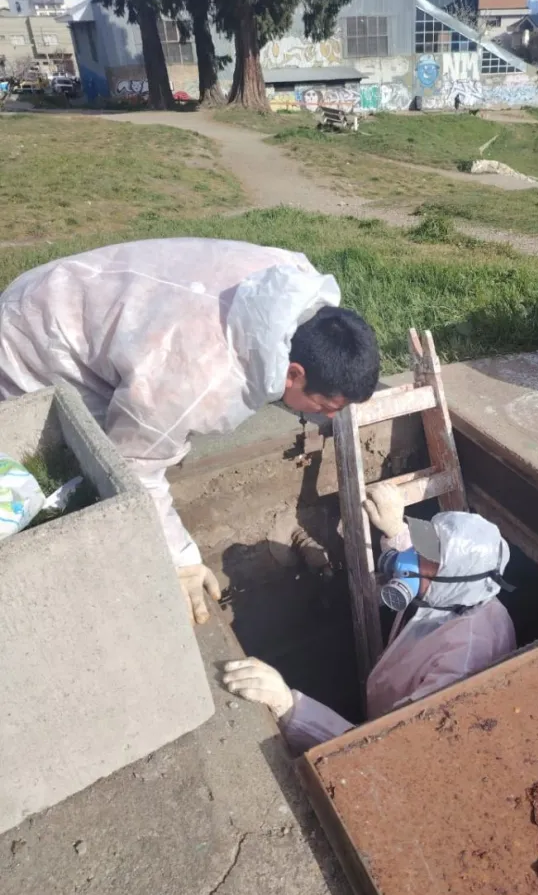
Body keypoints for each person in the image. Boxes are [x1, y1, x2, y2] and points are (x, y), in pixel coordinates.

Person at [0, 239, 380, 623]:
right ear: (294, 373)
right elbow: (130, 469)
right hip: (36, 341)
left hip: (78, 288)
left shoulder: (292, 283)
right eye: (328, 407)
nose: (330, 418)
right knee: (82, 461)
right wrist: (181, 558)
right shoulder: (198, 383)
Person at [223, 483, 516, 753]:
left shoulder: (463, 661)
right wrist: (395, 531)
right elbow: (427, 565)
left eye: (428, 561)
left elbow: (385, 751)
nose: (407, 563)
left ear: (454, 581)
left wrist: (289, 708)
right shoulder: (463, 594)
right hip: (386, 699)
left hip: (390, 741)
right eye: (422, 546)